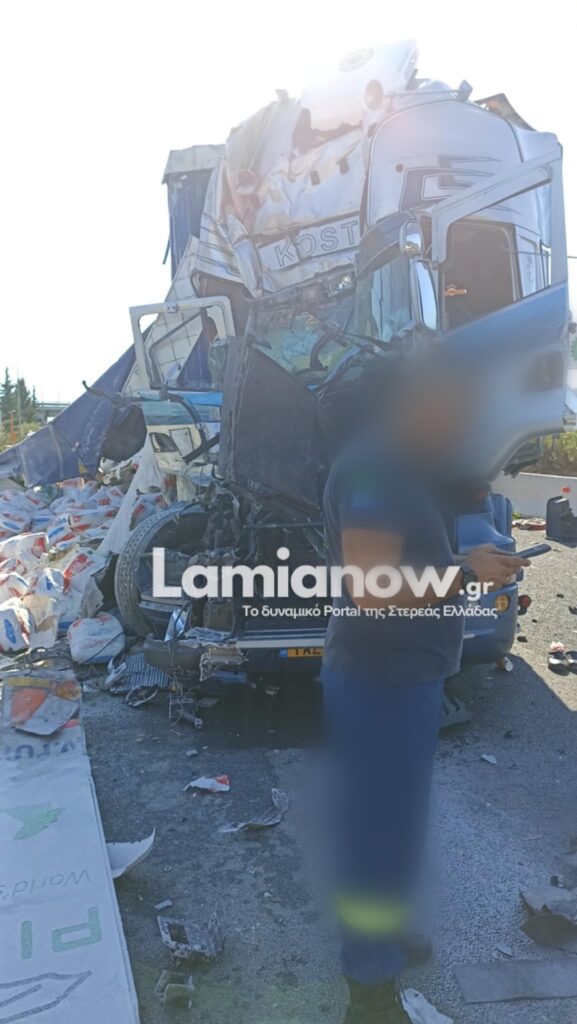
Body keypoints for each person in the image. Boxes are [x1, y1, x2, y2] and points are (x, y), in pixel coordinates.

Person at [321, 355, 529, 1023]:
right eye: (450, 407)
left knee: (397, 824)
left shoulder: (400, 464)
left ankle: (384, 932)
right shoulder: (373, 468)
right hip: (379, 678)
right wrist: (466, 575)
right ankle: (368, 989)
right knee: (375, 834)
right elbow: (371, 588)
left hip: (406, 675)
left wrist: (466, 562)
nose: (459, 422)